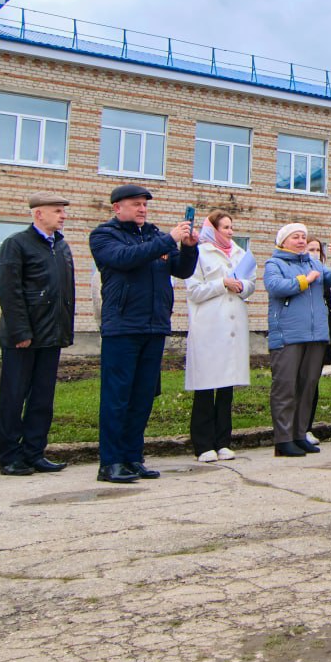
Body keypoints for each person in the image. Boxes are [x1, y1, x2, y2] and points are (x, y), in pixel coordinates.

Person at [89, 185, 199, 483]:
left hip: (154, 325)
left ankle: (133, 458)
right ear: (117, 208)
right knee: (117, 397)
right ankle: (110, 462)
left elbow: (183, 270)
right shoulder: (104, 235)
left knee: (142, 397)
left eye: (144, 205)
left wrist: (188, 246)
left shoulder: (153, 235)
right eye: (135, 204)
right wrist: (169, 239)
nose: (142, 209)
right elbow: (126, 259)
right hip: (123, 326)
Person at [0, 191, 75, 476]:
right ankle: (9, 456)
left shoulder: (62, 247)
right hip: (24, 336)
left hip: (51, 334)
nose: (63, 215)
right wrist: (20, 331)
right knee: (14, 397)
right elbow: (9, 291)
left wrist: (65, 330)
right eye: (57, 210)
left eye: (63, 211)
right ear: (38, 214)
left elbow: (66, 293)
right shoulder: (16, 244)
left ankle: (34, 451)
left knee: (42, 398)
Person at [263, 223, 331, 456]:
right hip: (288, 336)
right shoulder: (274, 263)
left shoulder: (314, 262)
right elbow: (275, 287)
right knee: (285, 388)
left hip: (316, 334)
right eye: (295, 237)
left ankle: (300, 435)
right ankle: (283, 439)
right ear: (283, 241)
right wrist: (304, 280)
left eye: (303, 237)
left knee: (307, 386)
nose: (301, 241)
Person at [185, 211, 256, 462]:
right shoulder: (200, 253)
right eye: (225, 227)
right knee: (205, 385)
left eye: (231, 226)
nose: (230, 231)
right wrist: (222, 283)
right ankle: (203, 444)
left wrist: (241, 286)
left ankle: (223, 440)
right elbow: (193, 291)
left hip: (233, 324)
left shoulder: (239, 252)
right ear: (212, 229)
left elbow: (250, 283)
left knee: (227, 385)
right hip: (209, 325)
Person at [305, 237, 331, 444]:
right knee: (297, 381)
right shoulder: (297, 269)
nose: (314, 253)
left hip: (321, 331)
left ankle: (307, 426)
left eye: (317, 250)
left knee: (313, 380)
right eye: (310, 249)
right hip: (300, 332)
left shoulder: (322, 272)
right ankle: (295, 427)